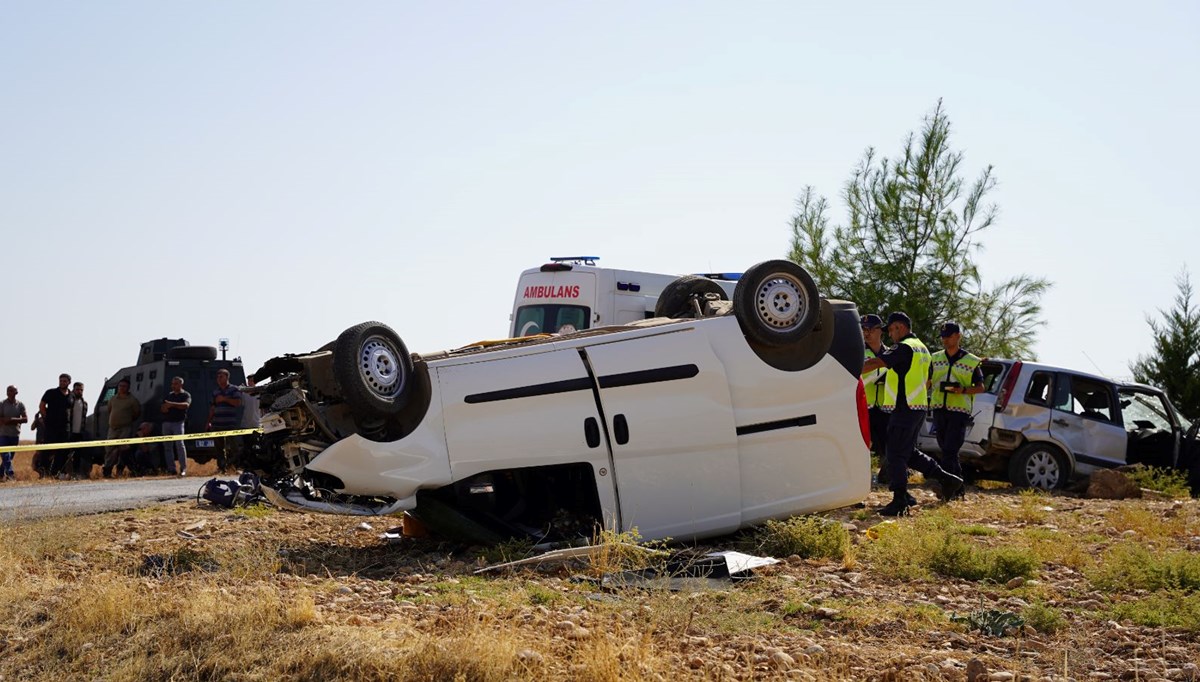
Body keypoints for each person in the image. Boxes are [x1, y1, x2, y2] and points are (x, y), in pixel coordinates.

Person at [862, 312, 963, 516]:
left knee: (895, 454)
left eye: (891, 330)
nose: (890, 335)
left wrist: (851, 369)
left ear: (899, 327)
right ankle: (948, 479)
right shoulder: (922, 348)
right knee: (908, 452)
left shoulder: (904, 347)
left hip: (904, 407)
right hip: (917, 407)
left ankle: (900, 499)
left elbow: (875, 363)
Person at [928, 322, 985, 488]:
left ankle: (945, 485)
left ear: (958, 336)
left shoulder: (971, 361)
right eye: (943, 337)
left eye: (949, 336)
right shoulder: (935, 358)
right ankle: (958, 488)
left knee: (950, 450)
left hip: (959, 412)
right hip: (939, 409)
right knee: (947, 450)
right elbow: (928, 381)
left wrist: (963, 390)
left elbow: (981, 387)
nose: (945, 340)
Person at [860, 314, 892, 485]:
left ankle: (886, 476)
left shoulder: (890, 352)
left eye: (871, 329)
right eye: (864, 329)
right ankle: (863, 479)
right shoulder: (858, 350)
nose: (867, 333)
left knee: (888, 444)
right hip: (865, 404)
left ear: (881, 331)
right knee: (864, 444)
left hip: (886, 406)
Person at [103, 377, 141, 478]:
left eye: (124, 386)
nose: (121, 388)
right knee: (110, 450)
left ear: (128, 388)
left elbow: (136, 413)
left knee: (124, 450)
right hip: (113, 428)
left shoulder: (132, 400)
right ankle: (107, 471)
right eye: (120, 386)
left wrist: (126, 420)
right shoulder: (113, 399)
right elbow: (109, 410)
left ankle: (123, 470)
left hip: (125, 428)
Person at [207, 368, 242, 473]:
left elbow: (237, 403)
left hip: (229, 424)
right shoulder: (215, 391)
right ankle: (222, 468)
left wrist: (224, 399)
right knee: (218, 448)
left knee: (233, 447)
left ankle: (235, 467)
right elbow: (212, 408)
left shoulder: (234, 389)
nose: (218, 378)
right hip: (217, 424)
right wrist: (208, 421)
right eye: (217, 377)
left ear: (227, 377)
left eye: (221, 376)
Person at [38, 373, 73, 477]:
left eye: (65, 381)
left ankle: (56, 473)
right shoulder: (51, 392)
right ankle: (43, 472)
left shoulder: (71, 395)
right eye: (61, 381)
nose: (62, 383)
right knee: (47, 450)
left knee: (62, 451)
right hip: (51, 427)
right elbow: (42, 405)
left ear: (69, 382)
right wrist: (45, 418)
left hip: (65, 428)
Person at [58, 381, 91, 479]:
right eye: (77, 389)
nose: (79, 391)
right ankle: (62, 473)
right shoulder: (69, 401)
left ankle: (75, 474)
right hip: (69, 432)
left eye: (81, 390)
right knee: (65, 454)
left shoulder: (84, 403)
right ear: (73, 389)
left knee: (78, 455)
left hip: (79, 432)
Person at [161, 376, 191, 476]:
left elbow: (186, 405)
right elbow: (163, 407)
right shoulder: (169, 395)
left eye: (176, 384)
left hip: (178, 423)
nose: (173, 386)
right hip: (167, 423)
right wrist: (166, 407)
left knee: (180, 445)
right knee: (167, 447)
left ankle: (183, 469)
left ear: (181, 385)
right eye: (172, 384)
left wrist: (172, 405)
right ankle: (171, 469)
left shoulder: (185, 395)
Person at [0, 385, 28, 481]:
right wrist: (5, 421)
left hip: (15, 434)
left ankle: (1, 474)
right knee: (5, 455)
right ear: (7, 392)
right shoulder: (2, 404)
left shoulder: (20, 405)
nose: (11, 392)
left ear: (16, 392)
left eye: (13, 391)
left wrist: (12, 420)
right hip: (3, 434)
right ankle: (11, 475)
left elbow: (25, 419)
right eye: (9, 391)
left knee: (9, 457)